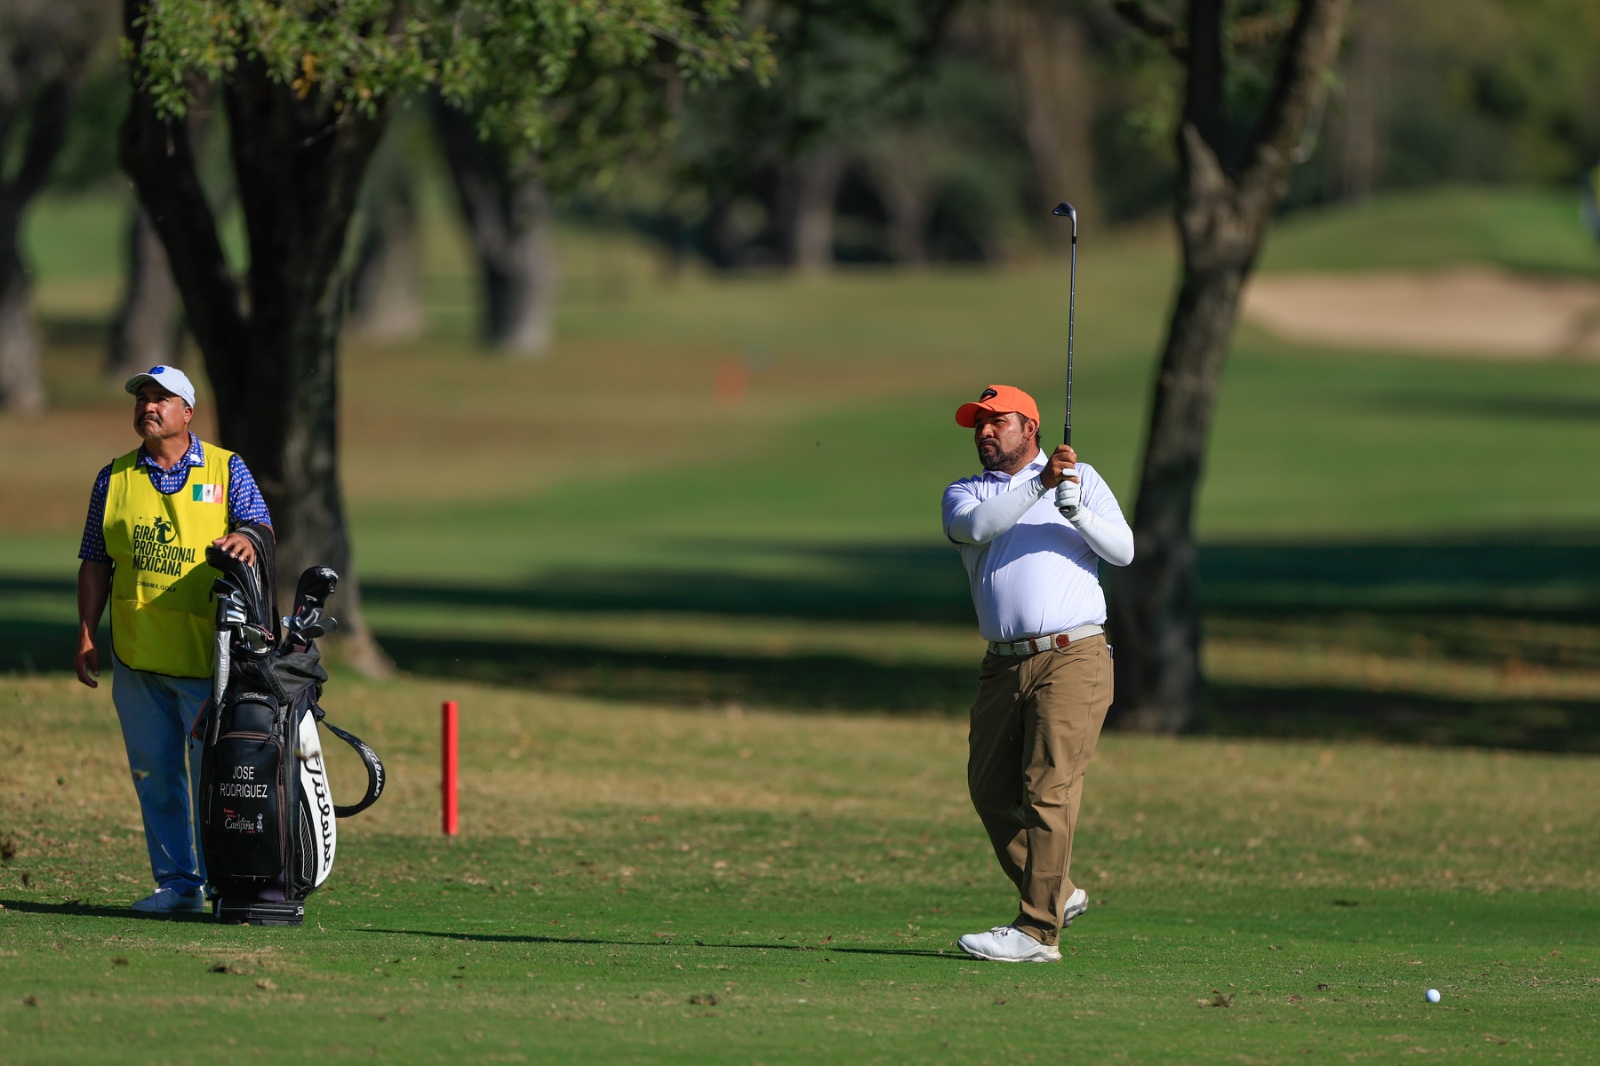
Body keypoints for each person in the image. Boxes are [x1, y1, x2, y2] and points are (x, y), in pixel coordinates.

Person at [940, 384, 1134, 962]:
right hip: (1002, 664)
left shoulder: (1082, 479)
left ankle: (1037, 931)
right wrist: (1041, 486)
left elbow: (1122, 551)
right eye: (978, 424)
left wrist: (1079, 513)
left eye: (997, 421)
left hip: (1073, 655)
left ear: (1030, 428)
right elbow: (978, 529)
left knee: (1048, 788)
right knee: (989, 790)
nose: (984, 431)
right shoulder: (966, 493)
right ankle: (1059, 891)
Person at [74, 365, 273, 914]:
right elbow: (95, 561)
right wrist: (86, 633)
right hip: (137, 654)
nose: (148, 406)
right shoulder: (113, 478)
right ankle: (179, 885)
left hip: (208, 658)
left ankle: (225, 883)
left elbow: (261, 524)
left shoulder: (226, 468)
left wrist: (247, 537)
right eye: (142, 397)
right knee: (155, 777)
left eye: (161, 398)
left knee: (214, 778)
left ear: (187, 412)